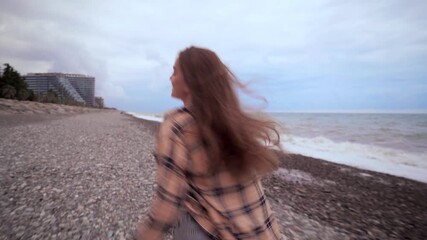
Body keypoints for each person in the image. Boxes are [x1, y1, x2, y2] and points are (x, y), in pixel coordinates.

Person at [137, 46, 283, 240]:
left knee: (187, 205)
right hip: (265, 233)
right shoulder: (233, 121)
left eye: (174, 72)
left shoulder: (177, 126)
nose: (170, 78)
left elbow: (168, 200)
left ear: (189, 81)